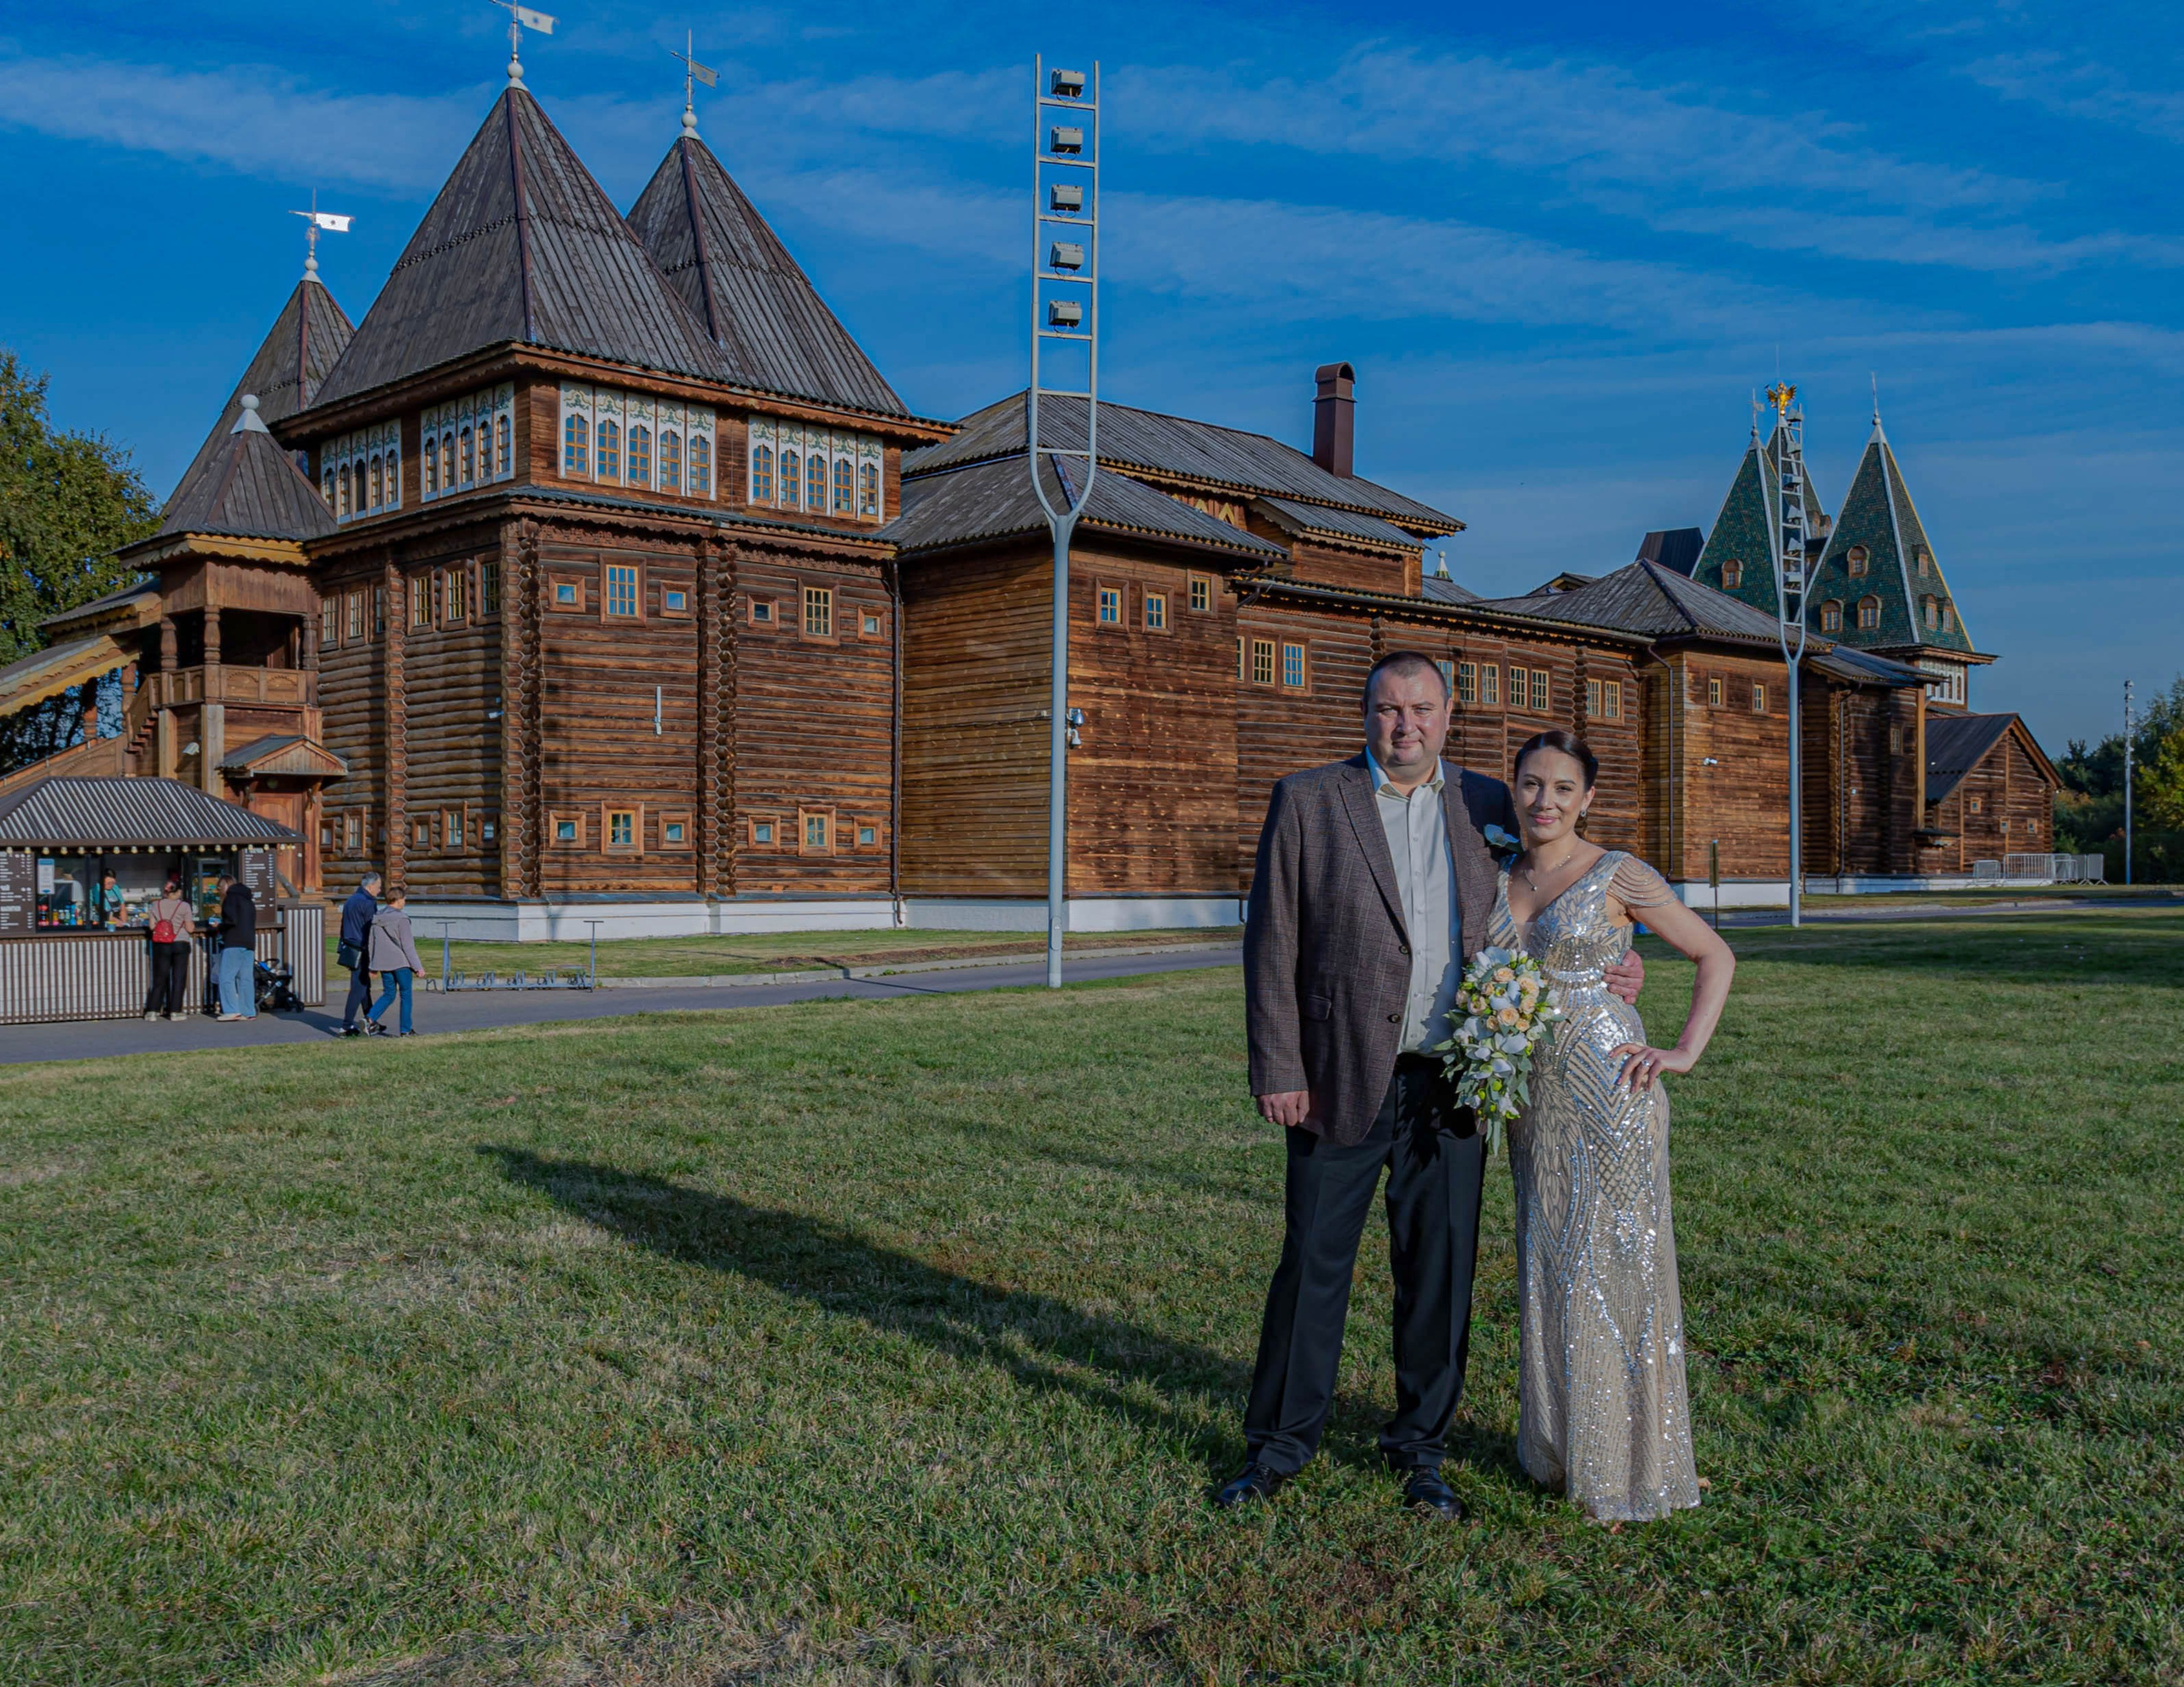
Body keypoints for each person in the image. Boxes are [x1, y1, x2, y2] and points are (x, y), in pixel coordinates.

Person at [1223, 652, 1644, 1521]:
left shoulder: (1490, 801)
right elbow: (1270, 940)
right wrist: (1278, 1065)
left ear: (1448, 715)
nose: (1402, 724)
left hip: (1455, 1078)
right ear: (1367, 714)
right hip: (1338, 1075)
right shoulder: (1308, 799)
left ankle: (1419, 1451)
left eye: (1419, 708)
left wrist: (1617, 952)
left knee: (1439, 1271)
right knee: (1311, 1264)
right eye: (1386, 709)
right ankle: (1278, 1446)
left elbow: (1566, 871)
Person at [1490, 728, 1734, 1523]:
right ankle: (1562, 1445)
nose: (1545, 801)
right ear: (1514, 788)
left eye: (1563, 788)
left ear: (1587, 798)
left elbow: (1715, 956)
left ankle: (1633, 1463)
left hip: (1613, 1089)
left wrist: (1684, 1051)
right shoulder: (1497, 878)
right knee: (1553, 1260)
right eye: (1531, 784)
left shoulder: (1617, 872)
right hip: (1535, 1106)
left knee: (1619, 1265)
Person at [364, 887, 426, 1036]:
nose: (404, 902)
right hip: (401, 963)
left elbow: (372, 943)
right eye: (404, 899)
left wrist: (373, 966)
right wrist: (418, 967)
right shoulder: (402, 919)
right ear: (398, 900)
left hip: (384, 963)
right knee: (405, 995)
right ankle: (406, 1030)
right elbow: (408, 945)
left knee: (389, 994)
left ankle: (369, 1019)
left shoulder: (377, 917)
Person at [334, 872, 382, 1036]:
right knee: (359, 988)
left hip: (350, 946)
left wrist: (342, 946)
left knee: (364, 987)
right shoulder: (369, 902)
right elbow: (371, 930)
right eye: (378, 887)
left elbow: (344, 925)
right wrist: (375, 954)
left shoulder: (351, 900)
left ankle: (371, 1020)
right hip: (362, 948)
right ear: (370, 886)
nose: (379, 890)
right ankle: (346, 1026)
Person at [141, 877, 195, 1021]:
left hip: (161, 944)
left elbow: (152, 927)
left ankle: (152, 1011)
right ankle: (175, 1011)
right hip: (180, 943)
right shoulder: (184, 906)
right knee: (178, 977)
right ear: (177, 892)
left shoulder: (156, 905)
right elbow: (190, 928)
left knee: (159, 978)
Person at [212, 872, 258, 1022]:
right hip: (249, 942)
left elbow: (231, 920)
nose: (219, 890)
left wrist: (219, 925)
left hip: (233, 941)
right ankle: (248, 1011)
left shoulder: (230, 899)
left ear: (225, 886)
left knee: (226, 977)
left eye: (220, 887)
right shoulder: (248, 900)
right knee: (245, 979)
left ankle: (232, 1010)